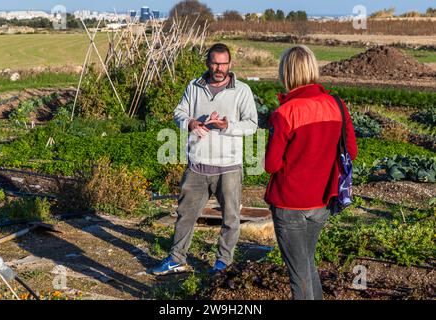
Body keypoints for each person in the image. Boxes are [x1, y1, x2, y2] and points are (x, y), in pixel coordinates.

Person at [151, 43, 258, 275]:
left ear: (230, 64)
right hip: (197, 165)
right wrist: (190, 123)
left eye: (223, 63)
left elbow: (251, 125)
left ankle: (222, 263)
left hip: (228, 166)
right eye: (215, 63)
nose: (219, 68)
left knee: (230, 217)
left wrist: (227, 125)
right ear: (208, 63)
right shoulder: (194, 86)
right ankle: (177, 258)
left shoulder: (242, 90)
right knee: (185, 215)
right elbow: (179, 112)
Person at [264, 45, 358, 300]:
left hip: (290, 202)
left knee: (299, 275)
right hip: (323, 202)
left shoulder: (285, 113)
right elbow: (352, 151)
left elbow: (271, 165)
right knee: (306, 264)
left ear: (287, 73)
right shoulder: (336, 105)